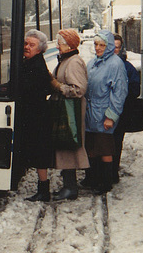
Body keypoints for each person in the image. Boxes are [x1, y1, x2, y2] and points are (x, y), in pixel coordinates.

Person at [83, 30, 128, 194]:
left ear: (109, 46)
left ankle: (105, 182)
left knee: (105, 148)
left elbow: (119, 92)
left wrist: (111, 116)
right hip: (91, 113)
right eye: (96, 44)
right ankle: (93, 179)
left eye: (102, 45)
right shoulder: (94, 62)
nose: (98, 48)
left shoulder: (115, 64)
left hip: (103, 113)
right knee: (92, 147)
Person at [49, 29, 90, 201]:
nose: (57, 46)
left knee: (69, 144)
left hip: (70, 109)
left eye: (60, 43)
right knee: (65, 145)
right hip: (64, 108)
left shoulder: (73, 62)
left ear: (70, 45)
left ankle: (70, 187)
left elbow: (79, 89)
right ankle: (68, 185)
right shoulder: (66, 60)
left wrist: (58, 87)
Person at [18, 30, 54, 202]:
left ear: (40, 49)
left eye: (31, 45)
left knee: (40, 153)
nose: (26, 47)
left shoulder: (36, 66)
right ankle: (43, 189)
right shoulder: (30, 62)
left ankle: (44, 190)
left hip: (37, 115)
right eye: (25, 44)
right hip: (34, 113)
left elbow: (22, 87)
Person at [111, 33, 141, 184]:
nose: (115, 50)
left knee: (116, 141)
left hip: (121, 111)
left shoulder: (128, 68)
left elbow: (135, 90)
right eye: (112, 46)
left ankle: (113, 171)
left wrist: (121, 95)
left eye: (117, 47)